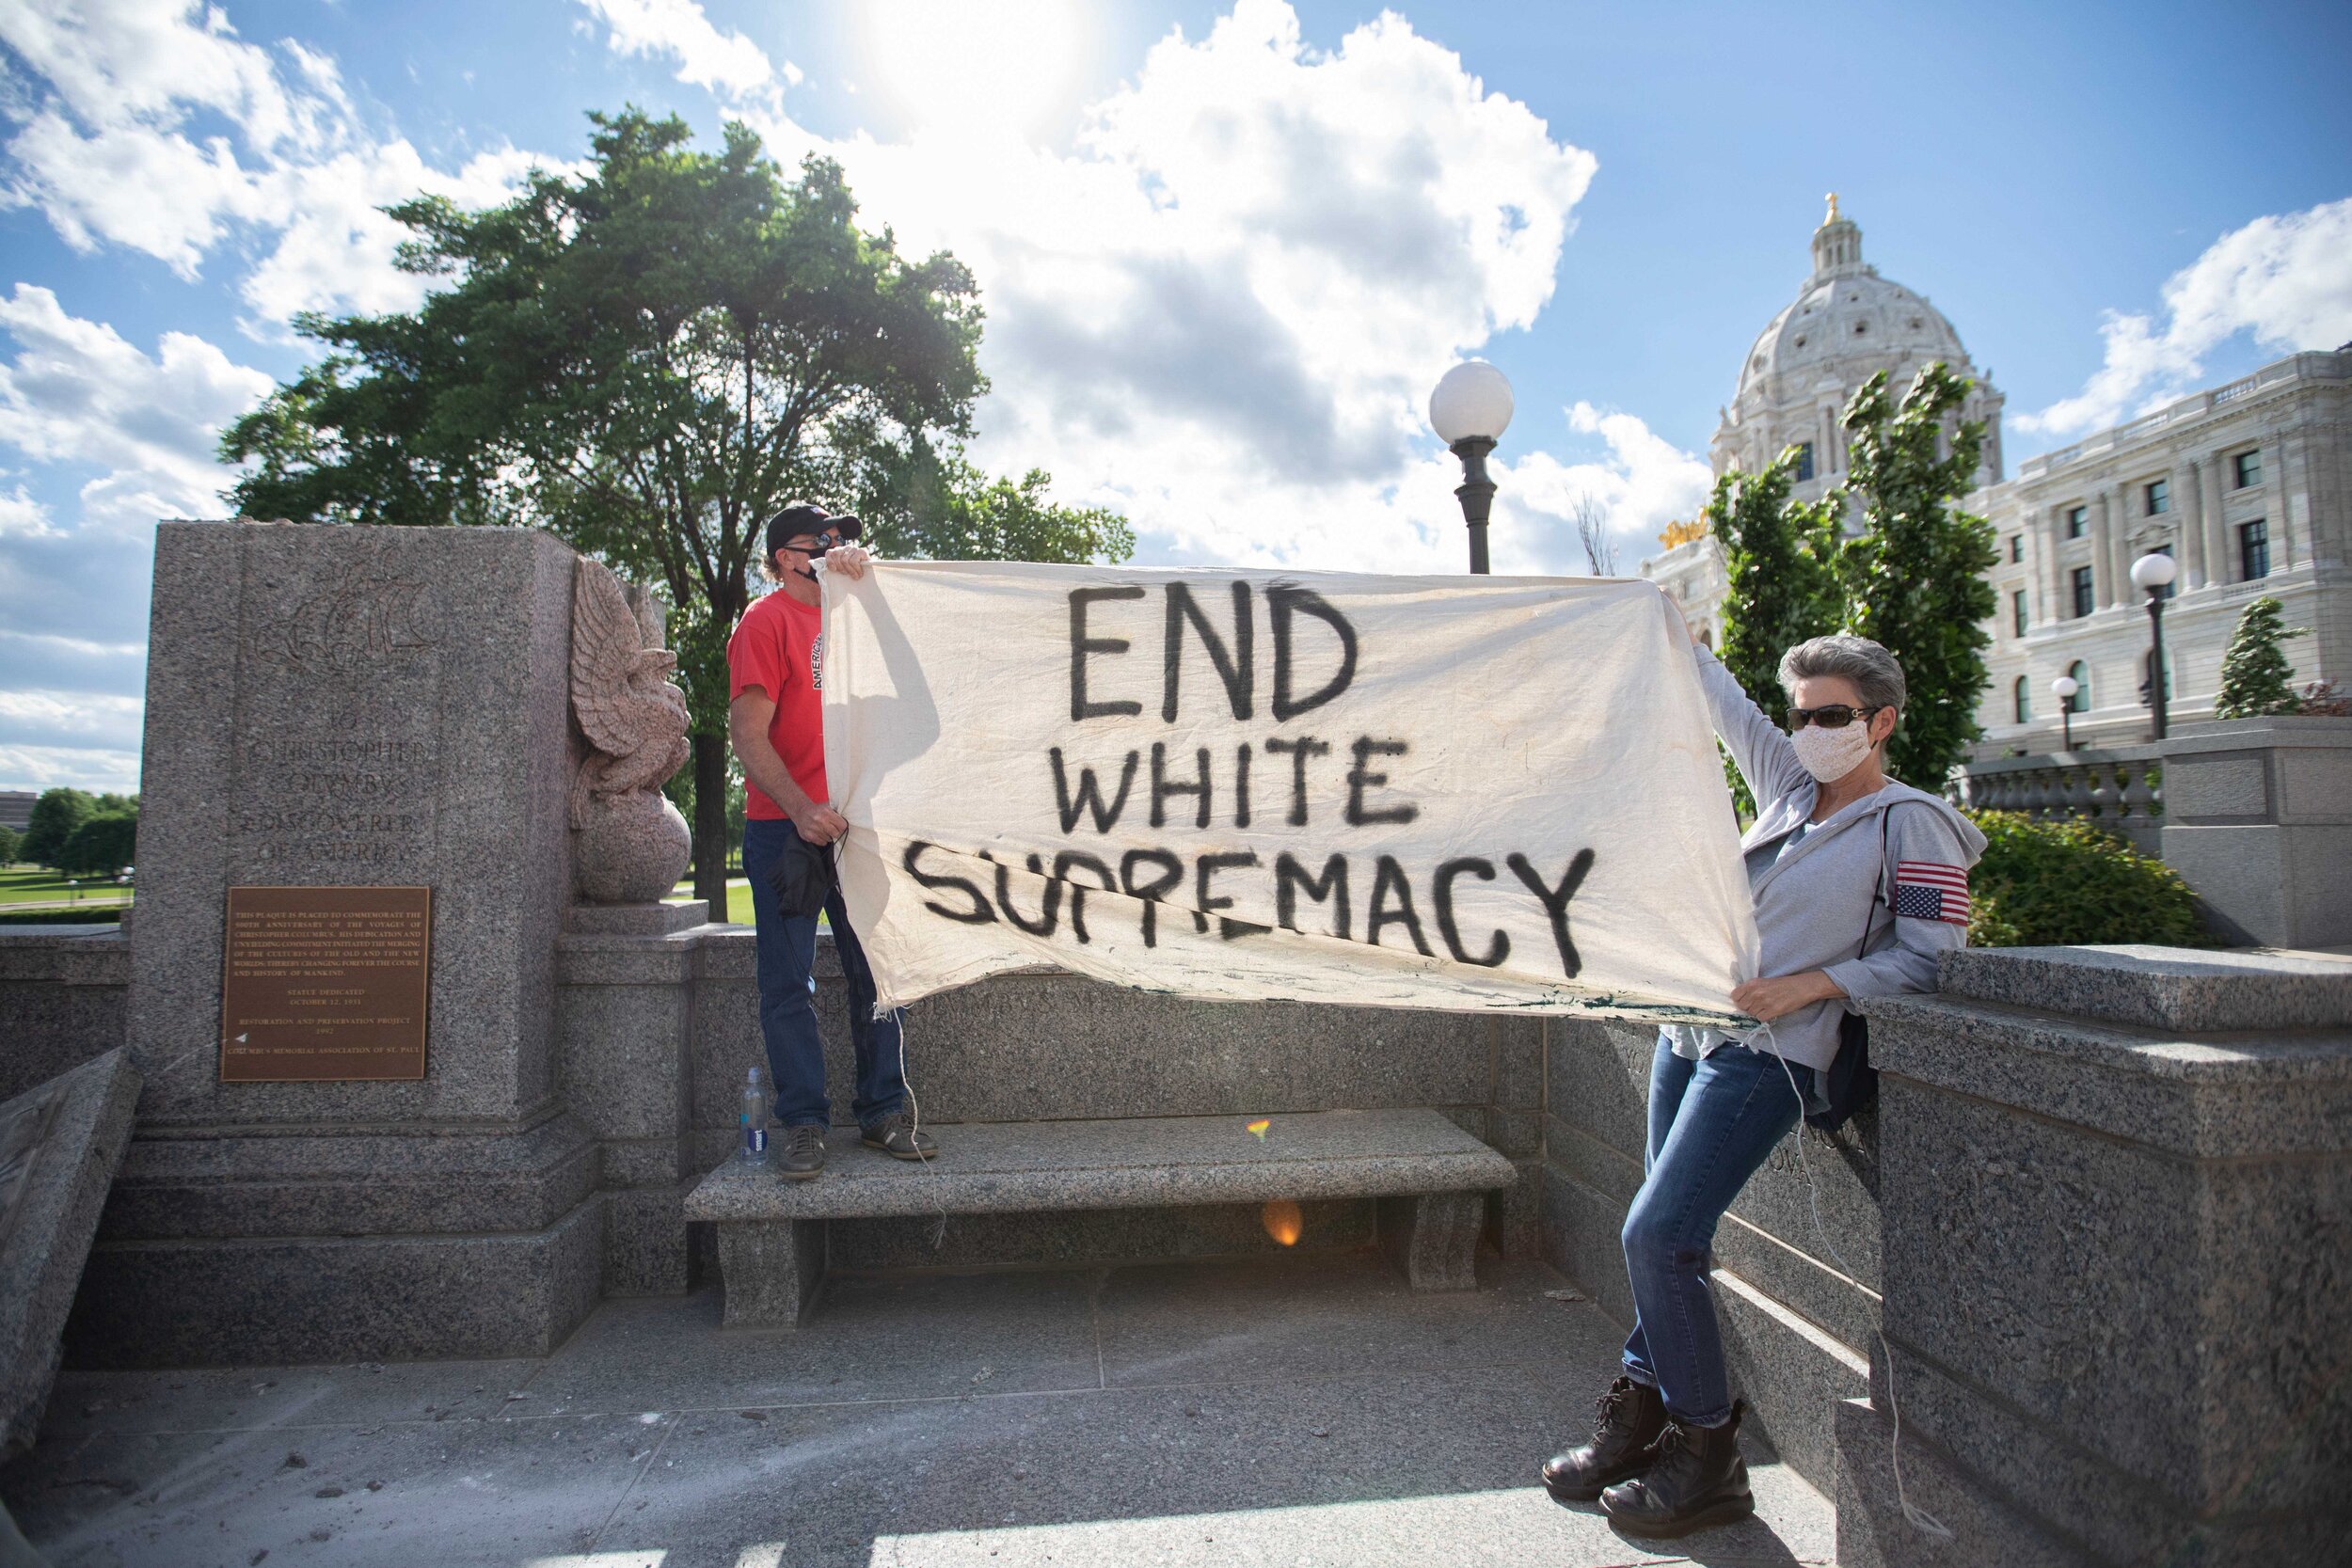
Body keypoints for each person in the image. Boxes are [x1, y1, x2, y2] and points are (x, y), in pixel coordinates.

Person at [1542, 620, 1984, 1538]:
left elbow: (1937, 959)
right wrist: (1675, 636)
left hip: (1774, 1051)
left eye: (1833, 713)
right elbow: (1728, 711)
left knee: (1657, 1231)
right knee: (1665, 1236)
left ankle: (1707, 1457)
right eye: (1802, 711)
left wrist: (1814, 982)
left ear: (1881, 720)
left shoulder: (1915, 822)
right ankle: (1641, 1415)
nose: (1810, 727)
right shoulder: (1789, 789)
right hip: (1691, 1033)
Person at [727, 500, 937, 1179]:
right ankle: (806, 1124)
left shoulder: (858, 624)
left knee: (876, 974)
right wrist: (798, 807)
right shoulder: (763, 623)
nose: (838, 548)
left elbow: (920, 706)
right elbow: (748, 735)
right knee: (787, 981)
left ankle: (882, 1112)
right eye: (822, 541)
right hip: (782, 830)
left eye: (845, 539)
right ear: (788, 557)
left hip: (858, 827)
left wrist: (873, 595)